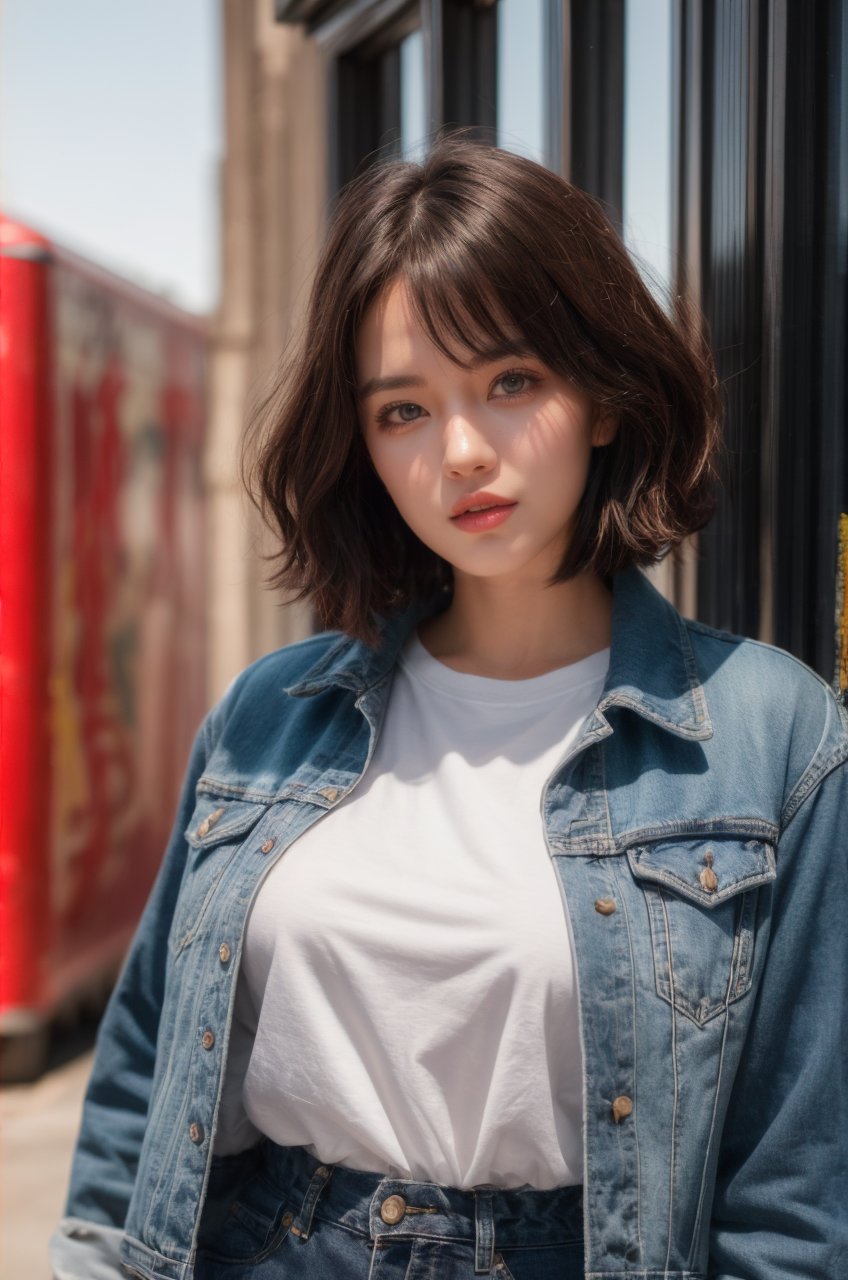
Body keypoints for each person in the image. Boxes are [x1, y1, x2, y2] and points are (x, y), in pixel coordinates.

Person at [50, 138, 848, 1280]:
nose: (461, 451)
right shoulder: (268, 716)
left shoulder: (771, 735)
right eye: (403, 411)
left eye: (510, 382)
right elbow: (142, 1066)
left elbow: (792, 1204)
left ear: (603, 396)